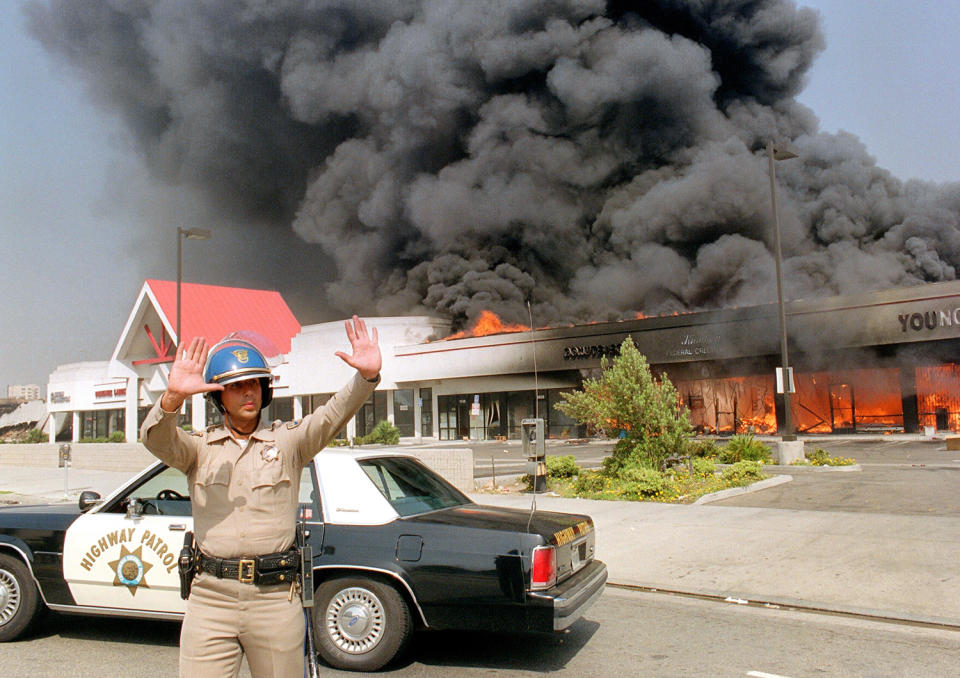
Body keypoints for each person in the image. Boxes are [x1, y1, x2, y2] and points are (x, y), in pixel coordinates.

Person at [140, 315, 381, 678]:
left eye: (255, 383)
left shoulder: (289, 442)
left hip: (274, 598)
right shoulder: (198, 448)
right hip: (210, 599)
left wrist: (365, 379)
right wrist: (172, 397)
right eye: (238, 386)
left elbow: (332, 416)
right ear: (219, 395)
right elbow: (156, 440)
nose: (249, 392)